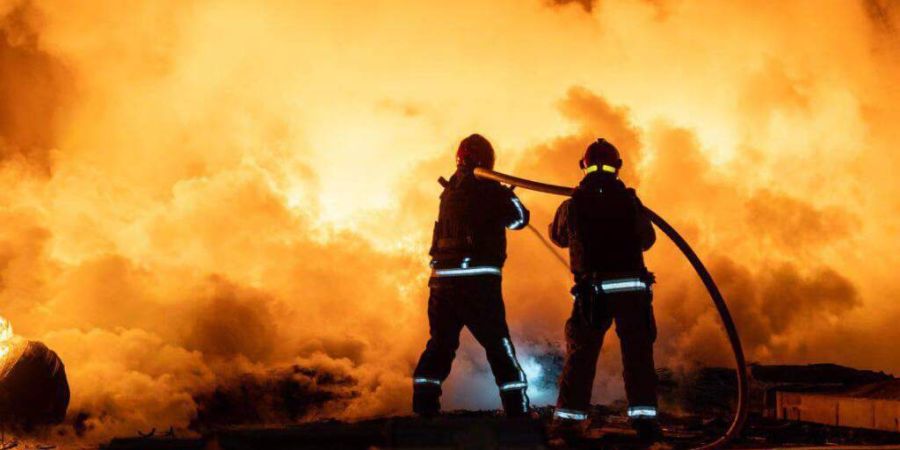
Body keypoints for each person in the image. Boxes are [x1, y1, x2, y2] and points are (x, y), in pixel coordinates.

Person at [412, 134, 532, 418]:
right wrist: (507, 192)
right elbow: (519, 220)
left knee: (440, 344)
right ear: (488, 160)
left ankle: (424, 409)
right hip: (478, 285)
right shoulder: (490, 190)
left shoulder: (449, 190)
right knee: (498, 345)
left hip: (442, 283)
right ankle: (518, 412)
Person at [549, 138, 661, 440]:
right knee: (637, 357)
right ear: (618, 165)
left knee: (581, 356)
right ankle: (645, 422)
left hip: (593, 293)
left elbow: (557, 236)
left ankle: (569, 423)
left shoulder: (572, 204)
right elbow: (647, 239)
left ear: (582, 165)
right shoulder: (630, 202)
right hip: (631, 293)